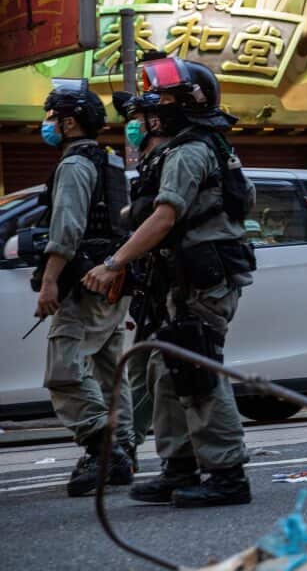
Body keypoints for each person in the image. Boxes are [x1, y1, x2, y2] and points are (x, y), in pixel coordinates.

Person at [83, 58, 256, 507]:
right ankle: (179, 468)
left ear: (184, 104)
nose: (147, 114)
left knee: (198, 369)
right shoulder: (189, 149)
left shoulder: (190, 152)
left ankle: (226, 473)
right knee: (165, 372)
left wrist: (114, 262)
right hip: (179, 278)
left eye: (157, 102)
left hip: (201, 278)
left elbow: (165, 216)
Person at [33, 79, 134, 497]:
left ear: (70, 122)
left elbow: (67, 228)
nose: (48, 125)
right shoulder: (110, 162)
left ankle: (103, 446)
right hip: (112, 280)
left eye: (53, 118)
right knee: (110, 369)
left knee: (64, 368)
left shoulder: (75, 164)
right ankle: (122, 447)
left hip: (84, 281)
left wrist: (50, 280)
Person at [111, 85, 172, 469]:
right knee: (143, 368)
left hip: (175, 281)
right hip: (151, 282)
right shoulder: (150, 165)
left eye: (136, 120)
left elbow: (162, 219)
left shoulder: (174, 159)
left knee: (164, 371)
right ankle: (128, 448)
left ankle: (189, 462)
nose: (131, 128)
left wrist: (114, 262)